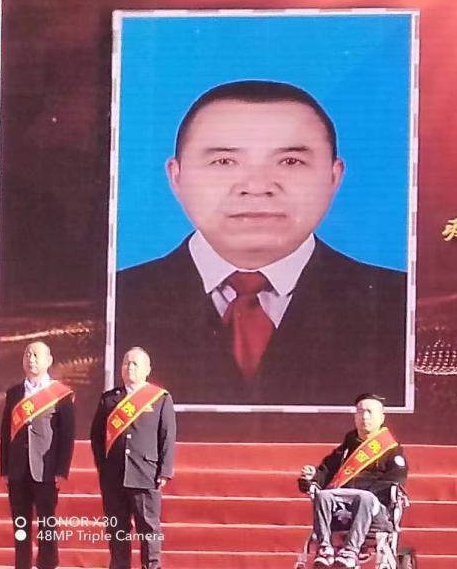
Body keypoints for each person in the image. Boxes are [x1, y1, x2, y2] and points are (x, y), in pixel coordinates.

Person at [114, 80, 407, 407]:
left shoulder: (398, 305)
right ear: (176, 176)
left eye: (290, 161)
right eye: (224, 162)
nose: (256, 186)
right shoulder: (115, 300)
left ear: (333, 176)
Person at [298, 393, 408, 568]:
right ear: (355, 417)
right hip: (342, 506)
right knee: (323, 496)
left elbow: (396, 479)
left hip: (374, 508)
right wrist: (311, 478)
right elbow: (326, 470)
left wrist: (361, 493)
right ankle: (325, 549)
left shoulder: (391, 450)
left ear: (381, 418)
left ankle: (350, 552)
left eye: (370, 412)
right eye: (360, 412)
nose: (365, 416)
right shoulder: (346, 448)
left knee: (364, 498)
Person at [90, 347, 176, 569]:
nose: (130, 367)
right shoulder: (109, 399)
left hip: (145, 474)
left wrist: (164, 470)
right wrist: (103, 466)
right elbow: (96, 437)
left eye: (135, 363)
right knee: (117, 530)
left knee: (148, 530)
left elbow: (167, 435)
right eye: (126, 363)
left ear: (147, 369)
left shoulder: (160, 399)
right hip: (114, 477)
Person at [0, 341, 75, 569]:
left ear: (49, 361)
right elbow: (5, 433)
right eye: (27, 355)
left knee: (46, 525)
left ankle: (47, 564)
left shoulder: (60, 395)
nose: (30, 359)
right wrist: (5, 468)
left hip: (46, 470)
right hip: (18, 471)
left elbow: (67, 435)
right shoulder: (14, 393)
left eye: (35, 355)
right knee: (20, 526)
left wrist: (61, 470)